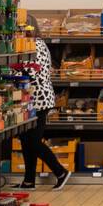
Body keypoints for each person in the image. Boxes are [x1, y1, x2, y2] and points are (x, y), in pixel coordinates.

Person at [19, 23, 71, 191]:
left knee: (33, 141)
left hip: (39, 99)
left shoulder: (37, 45)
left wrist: (11, 70)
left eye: (23, 30)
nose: (20, 33)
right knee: (26, 141)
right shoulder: (31, 44)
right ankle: (28, 181)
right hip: (30, 100)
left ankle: (60, 172)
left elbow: (32, 71)